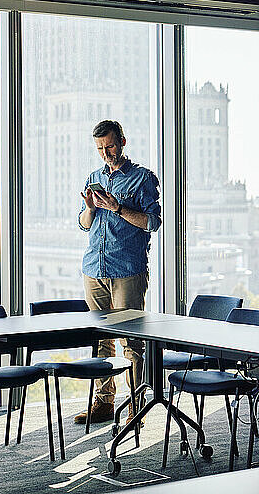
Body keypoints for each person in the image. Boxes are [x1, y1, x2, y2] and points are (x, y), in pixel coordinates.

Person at [74, 119, 161, 425]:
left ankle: (137, 407)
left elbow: (153, 223)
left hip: (127, 269)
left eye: (109, 146)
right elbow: (84, 225)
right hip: (94, 269)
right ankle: (104, 403)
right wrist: (91, 208)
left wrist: (118, 208)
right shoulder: (93, 177)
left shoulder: (142, 179)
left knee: (131, 342)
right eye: (99, 148)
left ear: (122, 141)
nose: (105, 153)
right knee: (101, 340)